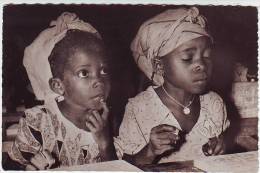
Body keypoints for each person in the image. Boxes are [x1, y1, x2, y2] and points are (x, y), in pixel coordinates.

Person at [114, 7, 230, 165]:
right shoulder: (139, 109)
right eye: (188, 57)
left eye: (207, 56)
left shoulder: (214, 104)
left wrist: (220, 149)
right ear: (159, 66)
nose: (201, 64)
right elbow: (123, 166)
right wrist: (150, 151)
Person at [8, 12, 117, 170]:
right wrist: (31, 168)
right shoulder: (38, 122)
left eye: (104, 70)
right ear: (58, 86)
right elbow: (11, 168)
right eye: (84, 73)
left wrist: (105, 144)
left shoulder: (109, 119)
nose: (99, 81)